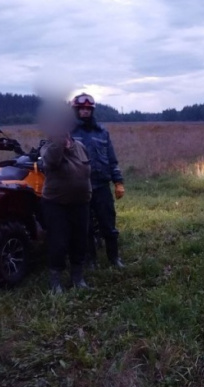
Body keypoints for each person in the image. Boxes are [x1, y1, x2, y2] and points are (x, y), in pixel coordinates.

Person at [39, 104, 93, 293]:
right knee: (59, 243)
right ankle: (55, 282)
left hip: (81, 203)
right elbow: (52, 160)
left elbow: (86, 169)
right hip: (56, 205)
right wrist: (59, 140)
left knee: (80, 241)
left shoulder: (80, 146)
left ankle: (78, 278)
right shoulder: (48, 147)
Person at [70, 92, 126, 268]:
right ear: (76, 110)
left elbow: (112, 160)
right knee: (84, 227)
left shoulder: (102, 132)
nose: (85, 111)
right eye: (82, 109)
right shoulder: (68, 133)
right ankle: (90, 260)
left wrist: (118, 182)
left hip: (101, 186)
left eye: (88, 109)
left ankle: (114, 258)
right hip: (79, 188)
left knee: (108, 224)